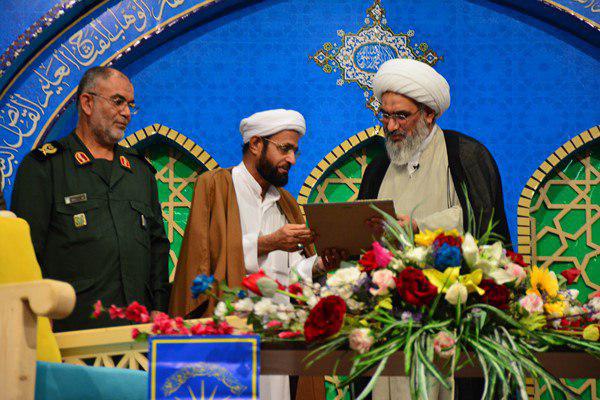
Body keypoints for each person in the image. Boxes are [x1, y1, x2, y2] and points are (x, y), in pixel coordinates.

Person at [358, 59, 511, 400]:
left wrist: (418, 228)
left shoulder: (465, 155)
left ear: (429, 114)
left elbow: (482, 225)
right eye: (385, 115)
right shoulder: (378, 167)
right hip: (390, 316)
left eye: (401, 116)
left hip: (454, 313)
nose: (391, 126)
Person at [169, 109, 342, 400]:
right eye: (284, 149)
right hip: (228, 332)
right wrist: (268, 243)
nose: (292, 159)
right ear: (255, 144)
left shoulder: (285, 201)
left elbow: (291, 275)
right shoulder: (214, 186)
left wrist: (320, 265)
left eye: (295, 151)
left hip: (276, 337)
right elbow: (202, 259)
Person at [11, 66, 169, 332]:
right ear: (87, 103)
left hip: (137, 330)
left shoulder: (140, 171)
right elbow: (25, 252)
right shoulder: (45, 166)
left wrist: (159, 308)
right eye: (118, 101)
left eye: (130, 105)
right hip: (72, 328)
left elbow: (157, 246)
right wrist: (36, 317)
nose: (126, 113)